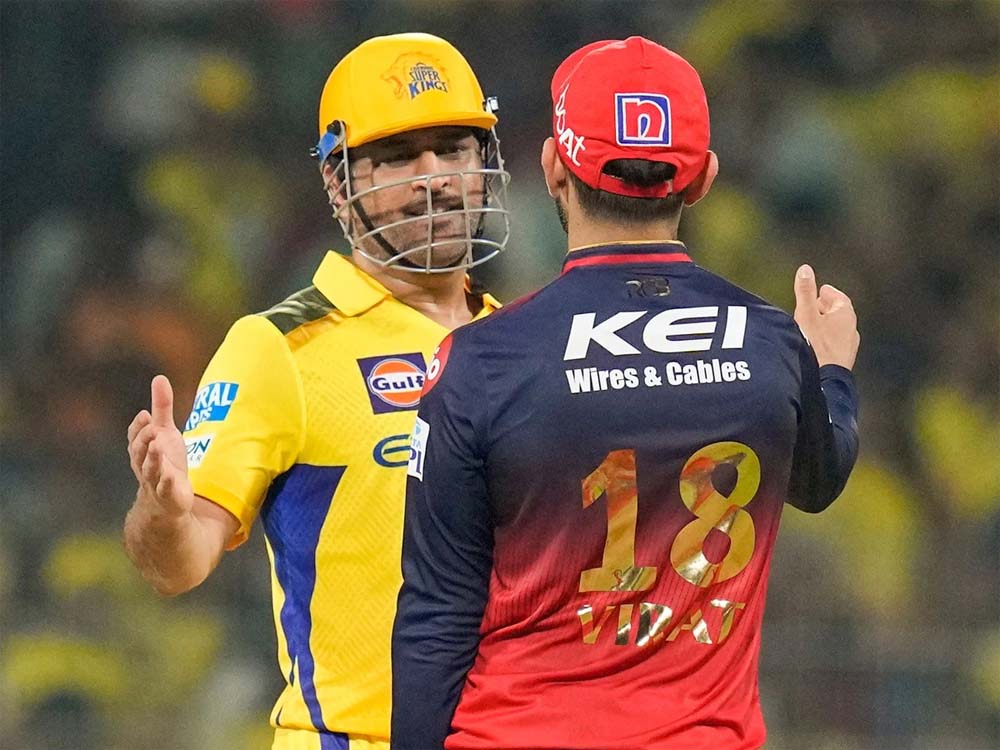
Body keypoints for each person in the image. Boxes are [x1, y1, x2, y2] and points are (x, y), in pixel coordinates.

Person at [391, 36, 860, 750]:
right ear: (702, 179)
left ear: (553, 166)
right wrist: (832, 375)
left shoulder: (482, 362)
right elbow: (819, 482)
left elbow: (436, 616)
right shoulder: (772, 345)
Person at [123, 32, 509, 750]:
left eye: (453, 148)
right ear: (338, 182)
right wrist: (162, 511)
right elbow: (178, 565)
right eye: (398, 156)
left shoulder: (523, 341)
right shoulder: (280, 348)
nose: (434, 178)